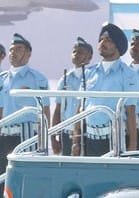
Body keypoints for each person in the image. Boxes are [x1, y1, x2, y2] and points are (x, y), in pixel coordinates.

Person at [73, 23, 139, 156]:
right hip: (89, 139)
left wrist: (132, 147)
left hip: (115, 139)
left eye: (108, 40)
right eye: (101, 39)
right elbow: (79, 109)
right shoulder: (89, 72)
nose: (102, 43)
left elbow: (130, 112)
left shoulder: (128, 74)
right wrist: (76, 142)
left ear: (118, 46)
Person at [0, 33, 50, 173]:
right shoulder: (2, 79)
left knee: (24, 173)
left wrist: (45, 139)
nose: (13, 52)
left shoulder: (37, 79)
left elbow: (45, 110)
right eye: (11, 49)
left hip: (27, 135)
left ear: (28, 53)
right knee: (3, 175)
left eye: (18, 49)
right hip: (4, 135)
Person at [52, 37, 94, 156]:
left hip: (85, 132)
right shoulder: (65, 78)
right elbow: (58, 109)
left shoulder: (93, 76)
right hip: (66, 132)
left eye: (80, 52)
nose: (76, 54)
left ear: (89, 56)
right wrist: (53, 136)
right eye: (74, 51)